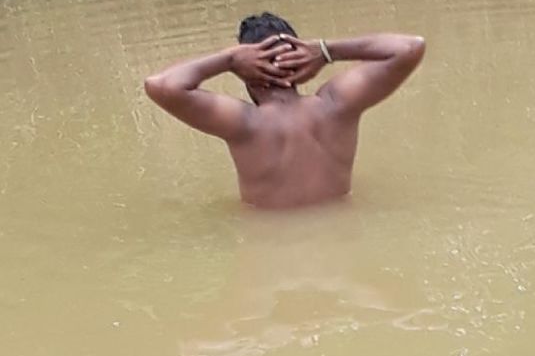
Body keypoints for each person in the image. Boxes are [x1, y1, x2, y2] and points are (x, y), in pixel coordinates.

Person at [144, 12, 425, 209]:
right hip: (341, 241)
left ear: (246, 72)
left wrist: (229, 59)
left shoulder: (244, 124)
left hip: (271, 250)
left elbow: (161, 85)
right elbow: (410, 47)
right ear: (303, 58)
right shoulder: (337, 105)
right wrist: (326, 51)